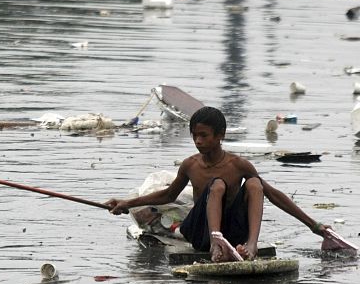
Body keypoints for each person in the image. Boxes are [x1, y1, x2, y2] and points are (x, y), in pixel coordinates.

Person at [106, 106, 330, 262]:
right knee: (218, 185)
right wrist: (127, 203)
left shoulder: (238, 164)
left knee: (254, 184)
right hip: (202, 234)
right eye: (194, 136)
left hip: (232, 232)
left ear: (220, 135)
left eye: (204, 136)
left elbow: (273, 195)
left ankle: (250, 245)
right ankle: (216, 244)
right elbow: (167, 195)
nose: (198, 141)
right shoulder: (190, 165)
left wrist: (314, 226)